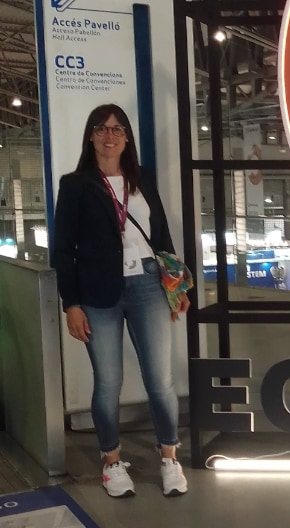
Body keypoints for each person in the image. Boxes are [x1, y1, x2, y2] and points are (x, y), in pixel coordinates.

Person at [52, 104, 190, 498]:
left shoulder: (142, 179)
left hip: (148, 285)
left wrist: (177, 287)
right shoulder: (75, 184)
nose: (109, 135)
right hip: (98, 292)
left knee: (160, 380)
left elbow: (161, 238)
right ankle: (111, 462)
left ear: (127, 137)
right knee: (108, 381)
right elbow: (63, 250)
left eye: (117, 129)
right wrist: (71, 303)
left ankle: (169, 456)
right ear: (91, 136)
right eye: (101, 129)